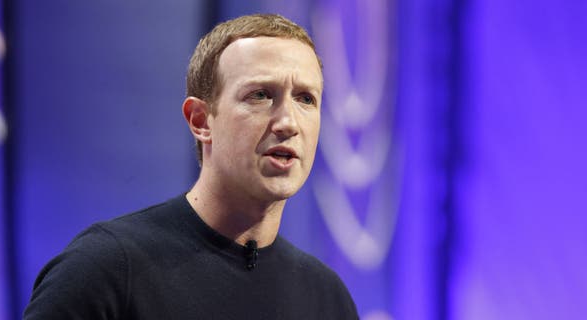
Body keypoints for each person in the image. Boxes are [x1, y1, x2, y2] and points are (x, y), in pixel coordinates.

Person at [23, 14, 358, 319]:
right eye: (260, 95)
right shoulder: (106, 270)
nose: (288, 122)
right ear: (200, 120)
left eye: (305, 99)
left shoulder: (328, 298)